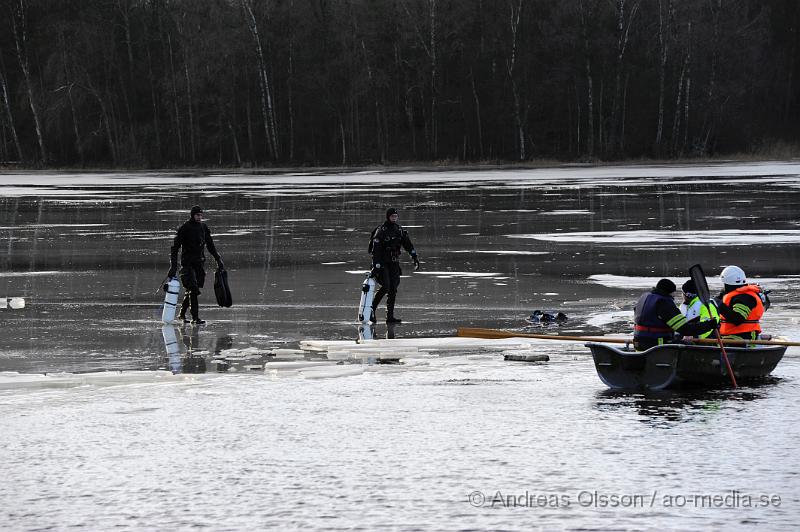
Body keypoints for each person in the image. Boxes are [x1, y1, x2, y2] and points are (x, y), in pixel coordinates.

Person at [167, 205, 224, 325]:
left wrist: (218, 259)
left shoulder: (203, 227)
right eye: (197, 215)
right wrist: (173, 266)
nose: (199, 217)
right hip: (187, 264)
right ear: (192, 215)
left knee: (192, 290)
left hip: (199, 264)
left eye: (201, 215)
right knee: (193, 289)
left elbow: (210, 245)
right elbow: (175, 248)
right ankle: (195, 318)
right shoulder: (184, 228)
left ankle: (182, 314)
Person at [633, 278, 717, 351]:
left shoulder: (644, 298)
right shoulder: (664, 303)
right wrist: (709, 325)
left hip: (638, 344)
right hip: (656, 346)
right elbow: (685, 329)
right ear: (669, 293)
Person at [369, 207, 420, 323]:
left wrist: (414, 257)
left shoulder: (399, 230)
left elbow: (408, 244)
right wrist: (376, 265)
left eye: (396, 216)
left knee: (393, 288)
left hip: (394, 263)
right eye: (392, 216)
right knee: (386, 286)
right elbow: (375, 250)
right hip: (382, 263)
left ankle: (390, 316)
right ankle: (371, 310)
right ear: (388, 217)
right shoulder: (381, 230)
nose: (394, 218)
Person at [714, 265, 769, 341]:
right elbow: (717, 300)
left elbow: (738, 319)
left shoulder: (745, 297)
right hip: (727, 335)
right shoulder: (728, 293)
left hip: (744, 336)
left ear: (727, 283)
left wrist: (719, 305)